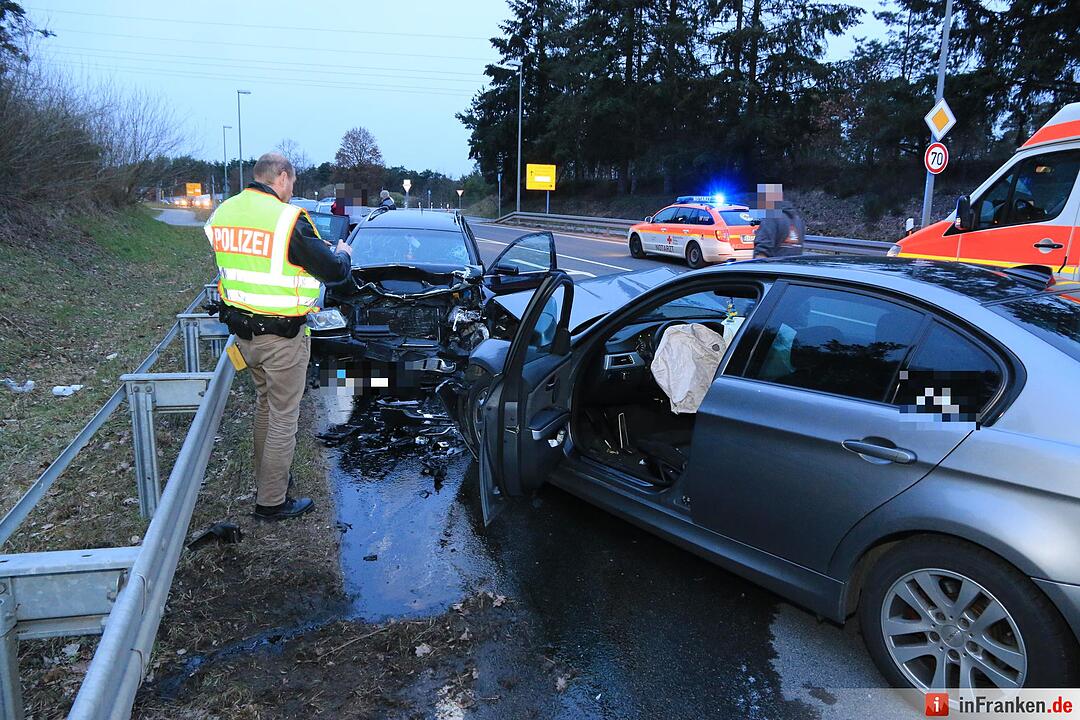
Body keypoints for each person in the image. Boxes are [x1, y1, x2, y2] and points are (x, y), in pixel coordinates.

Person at [204, 152, 353, 520]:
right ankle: (272, 501)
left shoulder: (226, 212)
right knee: (285, 416)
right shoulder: (287, 220)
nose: (292, 191)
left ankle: (267, 480)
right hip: (281, 338)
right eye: (293, 183)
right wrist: (344, 253)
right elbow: (333, 270)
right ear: (282, 177)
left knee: (266, 406)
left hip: (244, 334)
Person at [752, 183, 805, 259]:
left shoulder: (770, 218)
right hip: (793, 268)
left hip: (774, 268)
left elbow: (762, 252)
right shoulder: (798, 220)